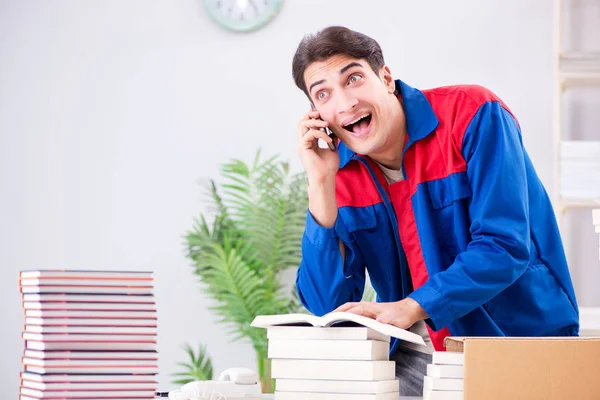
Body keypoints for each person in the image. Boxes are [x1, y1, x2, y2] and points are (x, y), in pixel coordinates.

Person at [292, 26, 579, 395]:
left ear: (386, 77)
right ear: (318, 114)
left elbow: (505, 246)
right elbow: (325, 307)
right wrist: (320, 185)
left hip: (517, 340)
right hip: (418, 360)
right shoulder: (338, 177)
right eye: (324, 93)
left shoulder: (473, 114)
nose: (345, 103)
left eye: (354, 78)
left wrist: (413, 306)